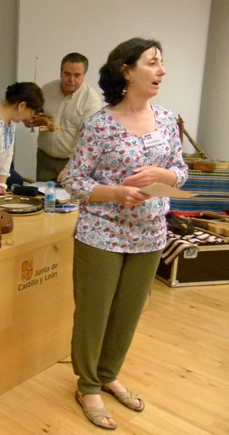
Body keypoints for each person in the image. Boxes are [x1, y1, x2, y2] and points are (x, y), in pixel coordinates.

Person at [62, 38, 187, 430]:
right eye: (153, 63)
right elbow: (73, 180)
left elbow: (181, 171)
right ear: (126, 71)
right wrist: (116, 193)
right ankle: (87, 385)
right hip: (101, 232)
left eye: (161, 63)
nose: (161, 70)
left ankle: (108, 374)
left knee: (129, 312)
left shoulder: (166, 120)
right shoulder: (99, 124)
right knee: (94, 313)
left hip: (150, 233)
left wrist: (164, 174)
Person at [34, 52, 103, 182]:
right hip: (45, 158)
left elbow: (88, 139)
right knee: (42, 194)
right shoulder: (46, 90)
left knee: (68, 195)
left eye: (77, 75)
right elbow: (32, 118)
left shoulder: (91, 101)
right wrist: (37, 120)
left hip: (72, 162)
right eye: (67, 74)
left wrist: (71, 165)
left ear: (84, 75)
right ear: (60, 72)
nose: (71, 79)